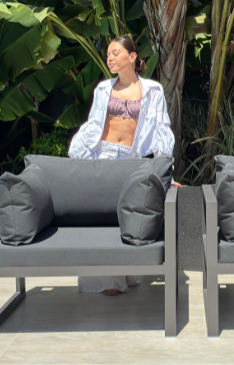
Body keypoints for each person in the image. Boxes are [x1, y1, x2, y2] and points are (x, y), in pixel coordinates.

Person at [68, 35, 181, 296]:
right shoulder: (103, 90)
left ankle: (124, 275)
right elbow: (92, 127)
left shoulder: (152, 91)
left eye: (115, 53)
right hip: (103, 157)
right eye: (108, 54)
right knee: (102, 218)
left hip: (132, 161)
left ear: (132, 57)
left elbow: (162, 132)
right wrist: (79, 158)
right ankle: (104, 282)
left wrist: (167, 174)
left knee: (125, 218)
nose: (109, 58)